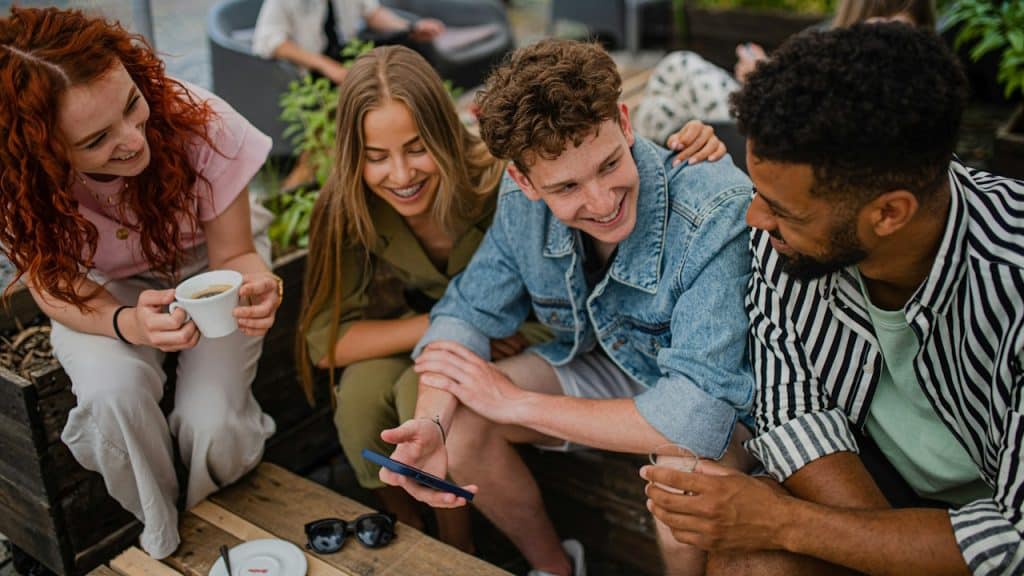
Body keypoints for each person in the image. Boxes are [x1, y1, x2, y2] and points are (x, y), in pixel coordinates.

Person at [297, 44, 728, 553]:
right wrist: (432, 422)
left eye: (610, 163)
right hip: (593, 357)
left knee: (682, 480)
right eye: (566, 186)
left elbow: (698, 418)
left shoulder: (711, 209)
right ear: (523, 181)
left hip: (696, 396)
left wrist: (515, 403)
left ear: (626, 125)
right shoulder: (518, 201)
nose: (601, 201)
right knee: (442, 414)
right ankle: (554, 566)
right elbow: (462, 312)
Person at [642, 23, 1024, 575]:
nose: (755, 219)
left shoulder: (1009, 281)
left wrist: (786, 522)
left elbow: (1013, 538)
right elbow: (792, 411)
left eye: (782, 210)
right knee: (749, 561)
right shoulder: (786, 239)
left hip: (997, 513)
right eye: (758, 193)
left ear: (889, 214)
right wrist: (883, 549)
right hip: (875, 481)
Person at [0, 7, 282, 559]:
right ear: (44, 153)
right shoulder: (17, 182)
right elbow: (55, 284)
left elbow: (237, 254)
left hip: (210, 266)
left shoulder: (199, 121)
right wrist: (126, 323)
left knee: (213, 419)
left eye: (133, 104)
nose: (134, 138)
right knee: (111, 396)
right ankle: (161, 528)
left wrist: (260, 285)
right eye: (97, 139)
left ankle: (210, 523)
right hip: (101, 291)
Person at [632, 0, 936, 145]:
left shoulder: (884, 48)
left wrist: (763, 80)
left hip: (782, 128)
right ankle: (650, 155)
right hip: (781, 111)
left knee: (677, 67)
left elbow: (828, 113)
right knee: (661, 107)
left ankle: (647, 158)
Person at [252, 0, 445, 85]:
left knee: (411, 43)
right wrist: (327, 66)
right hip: (312, 67)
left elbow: (372, 12)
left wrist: (410, 28)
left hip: (347, 52)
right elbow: (269, 41)